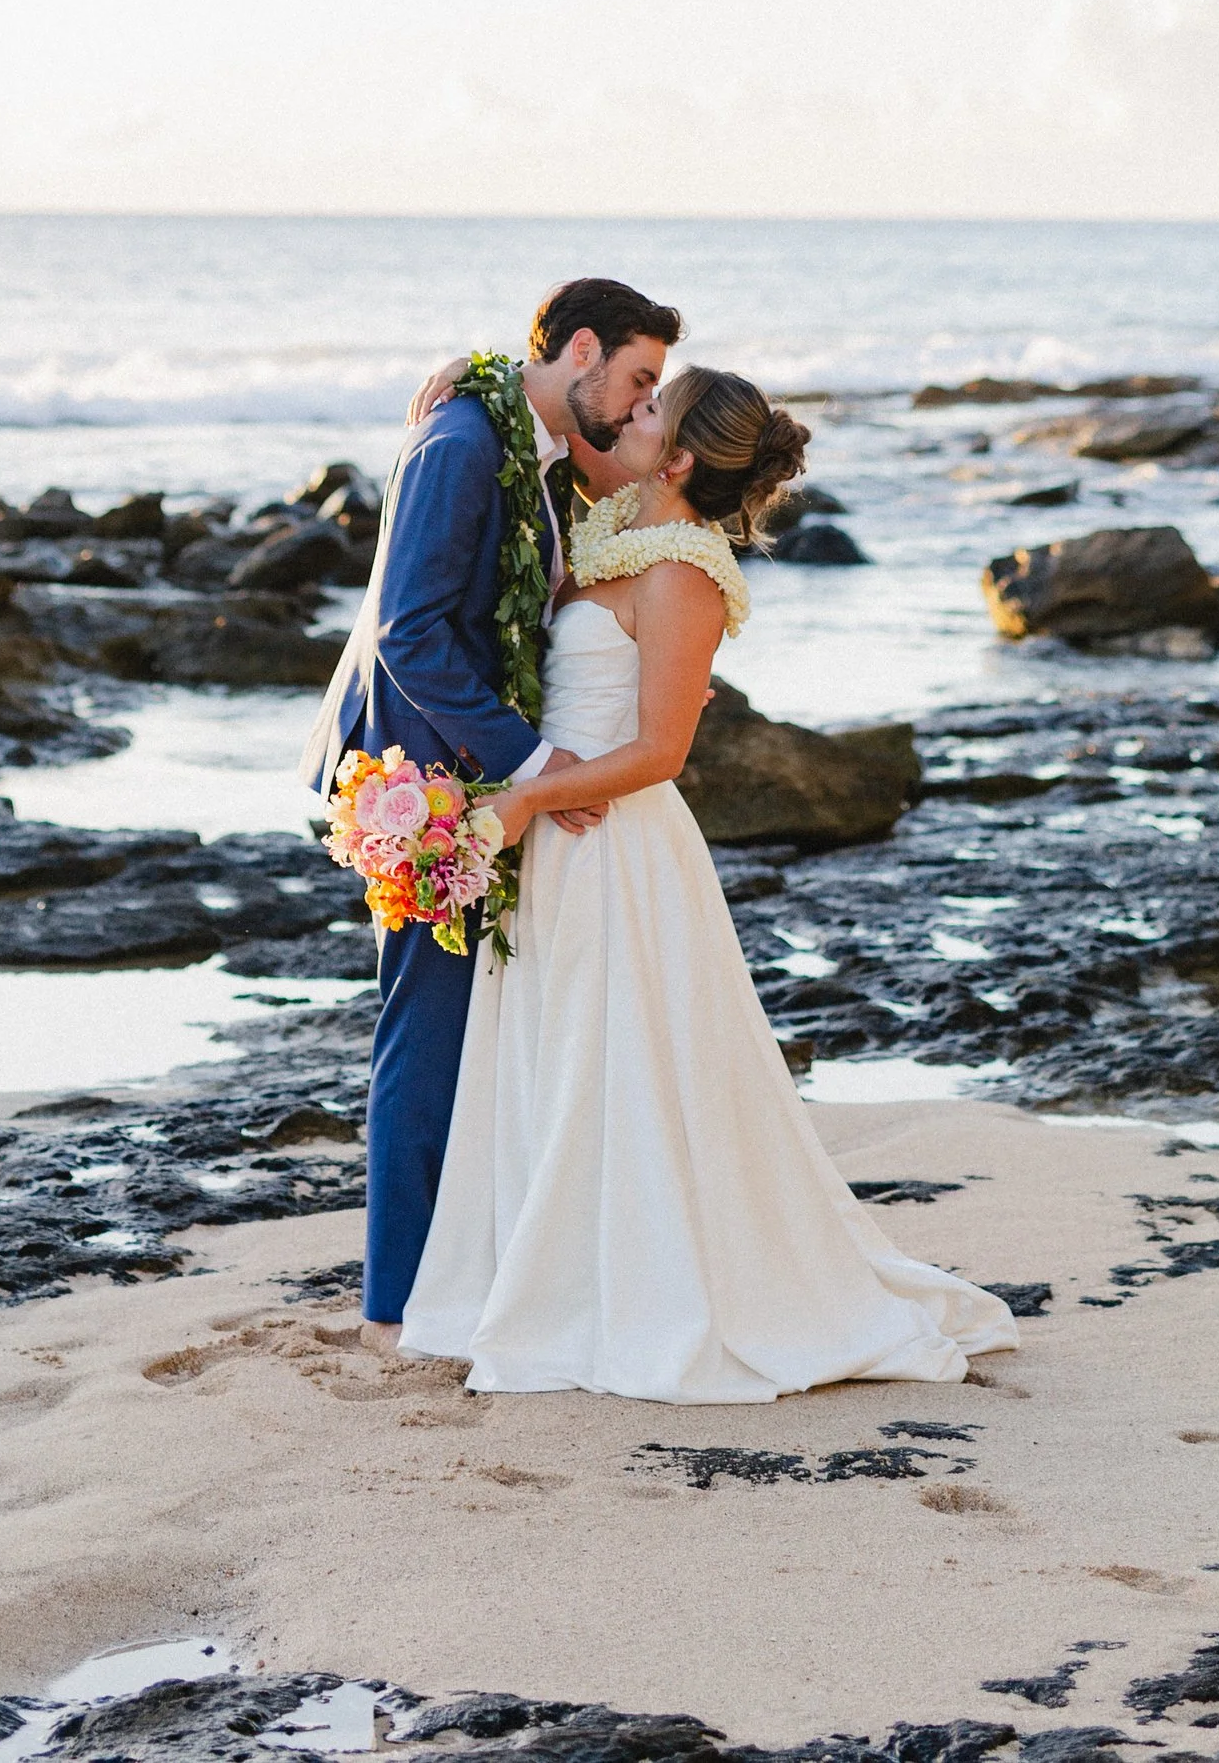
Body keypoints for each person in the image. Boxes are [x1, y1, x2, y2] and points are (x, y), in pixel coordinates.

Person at [398, 366, 1017, 1399]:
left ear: (677, 457)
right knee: (554, 1063)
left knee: (619, 1068)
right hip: (557, 834)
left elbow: (658, 753)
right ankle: (543, 1279)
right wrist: (464, 381)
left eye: (648, 410)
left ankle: (625, 1297)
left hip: (614, 845)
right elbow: (543, 444)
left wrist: (519, 805)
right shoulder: (601, 530)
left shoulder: (685, 573)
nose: (628, 416)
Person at [300, 274, 681, 1335]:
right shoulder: (466, 444)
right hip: (424, 780)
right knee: (427, 1029)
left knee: (475, 1029)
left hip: (474, 770)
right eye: (641, 377)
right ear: (584, 350)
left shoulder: (526, 438)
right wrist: (534, 759)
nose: (643, 398)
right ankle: (404, 1295)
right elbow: (409, 633)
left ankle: (470, 1270)